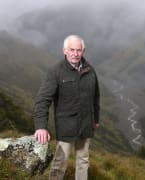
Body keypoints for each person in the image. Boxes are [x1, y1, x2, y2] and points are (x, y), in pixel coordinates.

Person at [33, 35, 100, 180]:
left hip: (86, 124)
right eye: (72, 50)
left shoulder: (90, 70)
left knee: (83, 161)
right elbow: (42, 100)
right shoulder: (56, 71)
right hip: (66, 126)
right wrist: (40, 126)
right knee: (59, 164)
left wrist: (96, 119)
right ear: (64, 51)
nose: (75, 54)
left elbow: (95, 97)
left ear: (83, 51)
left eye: (79, 50)